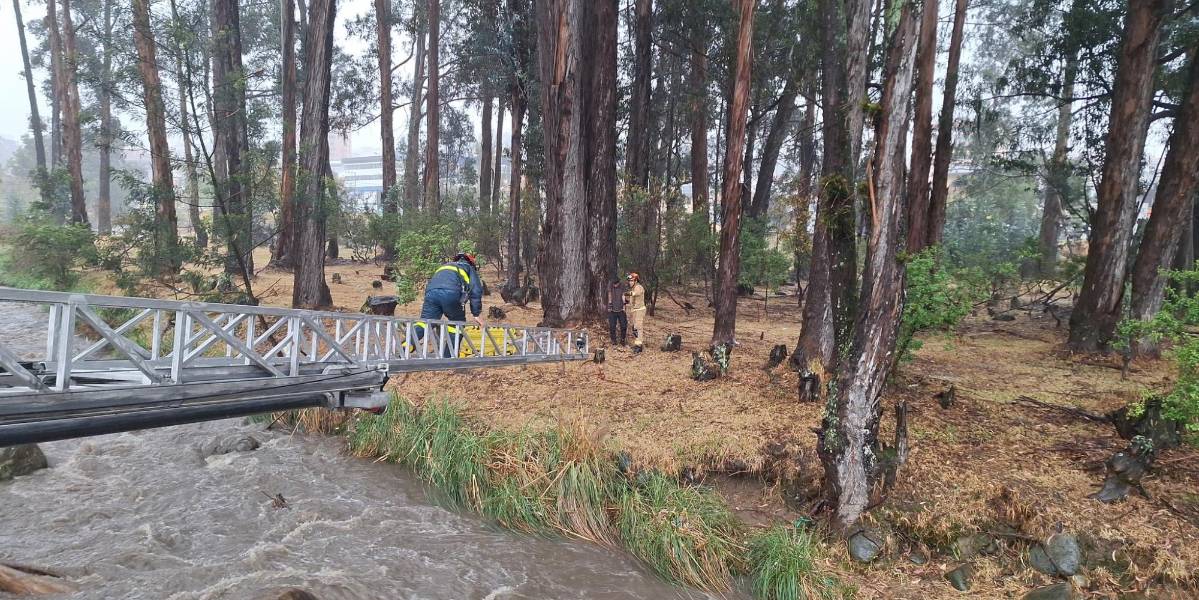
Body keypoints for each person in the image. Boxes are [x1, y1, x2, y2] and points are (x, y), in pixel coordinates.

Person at [416, 251, 485, 357]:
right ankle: (448, 356)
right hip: (450, 294)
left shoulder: (444, 267)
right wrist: (476, 314)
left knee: (425, 322)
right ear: (470, 262)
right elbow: (475, 291)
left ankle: (406, 345)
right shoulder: (468, 268)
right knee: (457, 324)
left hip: (430, 293)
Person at [623, 272, 646, 352]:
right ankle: (637, 344)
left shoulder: (638, 287)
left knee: (638, 328)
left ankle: (639, 347)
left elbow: (636, 293)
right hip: (634, 311)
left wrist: (626, 293)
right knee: (635, 328)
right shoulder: (633, 288)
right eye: (629, 281)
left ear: (636, 281)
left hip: (639, 310)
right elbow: (633, 299)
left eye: (632, 281)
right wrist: (626, 301)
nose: (630, 282)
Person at [607, 279, 628, 346]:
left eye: (616, 284)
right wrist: (610, 305)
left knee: (624, 325)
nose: (615, 285)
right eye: (614, 284)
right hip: (612, 310)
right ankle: (613, 340)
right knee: (612, 326)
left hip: (621, 309)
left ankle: (622, 339)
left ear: (619, 282)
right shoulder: (610, 284)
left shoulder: (622, 285)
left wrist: (624, 305)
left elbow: (623, 295)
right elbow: (609, 294)